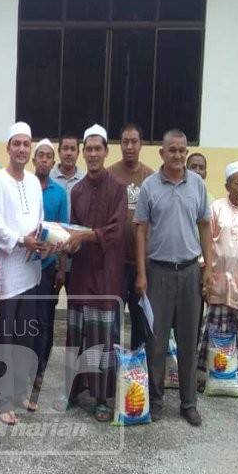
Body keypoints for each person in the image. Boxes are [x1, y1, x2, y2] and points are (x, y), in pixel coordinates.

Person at [134, 129, 213, 427]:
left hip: (191, 272)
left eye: (182, 150)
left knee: (188, 341)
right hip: (158, 272)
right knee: (155, 341)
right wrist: (141, 274)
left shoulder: (198, 185)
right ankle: (155, 402)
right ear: (162, 153)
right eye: (172, 150)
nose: (178, 155)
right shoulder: (149, 186)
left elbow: (205, 225)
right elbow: (139, 230)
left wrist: (209, 269)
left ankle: (188, 403)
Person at [62, 125, 127, 422]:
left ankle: (102, 398)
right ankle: (74, 390)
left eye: (97, 148)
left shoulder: (118, 189)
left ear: (106, 151)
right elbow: (72, 229)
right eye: (88, 149)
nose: (92, 154)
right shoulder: (76, 190)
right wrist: (65, 244)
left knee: (102, 338)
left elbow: (115, 232)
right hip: (80, 274)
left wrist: (84, 237)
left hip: (105, 275)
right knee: (76, 334)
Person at [0, 121, 46, 425]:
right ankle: (3, 400)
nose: (22, 149)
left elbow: (39, 219)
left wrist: (44, 240)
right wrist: (22, 240)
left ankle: (20, 390)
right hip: (7, 276)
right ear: (8, 147)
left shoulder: (34, 183)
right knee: (5, 339)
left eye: (27, 144)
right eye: (17, 143)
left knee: (26, 337)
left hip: (30, 272)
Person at [196, 161, 238, 392]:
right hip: (217, 285)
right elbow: (205, 246)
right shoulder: (215, 208)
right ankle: (205, 377)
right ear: (227, 185)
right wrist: (205, 277)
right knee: (210, 331)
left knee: (234, 335)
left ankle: (230, 378)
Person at [26, 138, 68, 412]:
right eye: (39, 155)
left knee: (45, 322)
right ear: (33, 160)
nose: (43, 160)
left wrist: (62, 268)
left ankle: (40, 372)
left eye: (47, 157)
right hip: (26, 267)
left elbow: (64, 232)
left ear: (53, 163)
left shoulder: (60, 193)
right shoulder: (26, 187)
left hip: (49, 267)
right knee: (26, 320)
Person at [107, 123, 154, 349]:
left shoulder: (151, 178)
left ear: (141, 144)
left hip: (141, 264)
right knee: (113, 323)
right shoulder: (110, 175)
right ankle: (113, 371)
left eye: (133, 141)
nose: (129, 146)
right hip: (115, 263)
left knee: (140, 322)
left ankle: (135, 376)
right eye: (125, 142)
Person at [50, 134, 86, 215]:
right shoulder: (49, 177)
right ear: (59, 152)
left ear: (78, 153)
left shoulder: (85, 179)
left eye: (73, 149)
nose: (69, 153)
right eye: (65, 149)